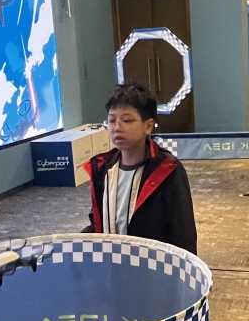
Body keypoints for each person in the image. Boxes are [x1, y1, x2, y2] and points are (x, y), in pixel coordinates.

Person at [83, 82, 197, 254]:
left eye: (127, 120)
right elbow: (98, 223)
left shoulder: (168, 169)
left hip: (152, 265)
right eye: (111, 121)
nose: (117, 127)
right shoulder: (101, 169)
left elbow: (183, 232)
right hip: (111, 263)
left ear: (148, 126)